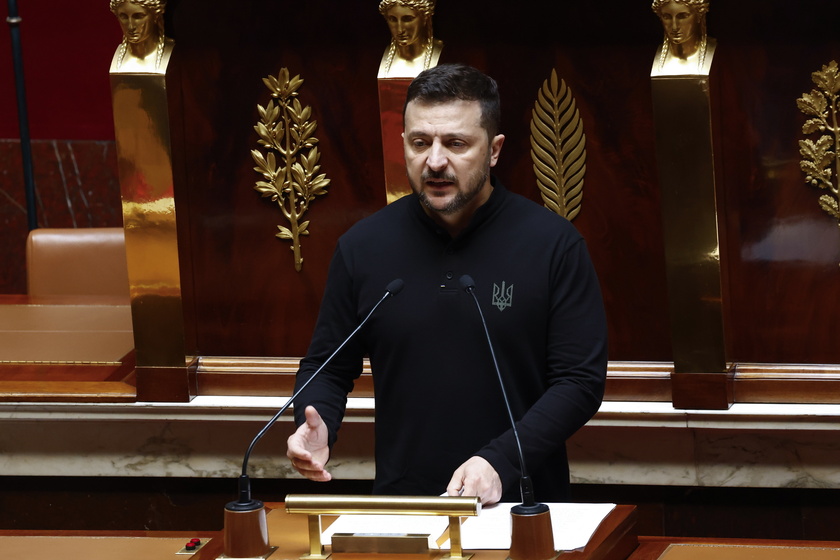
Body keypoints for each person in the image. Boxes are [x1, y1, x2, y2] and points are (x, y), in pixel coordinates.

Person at [286, 64, 607, 506]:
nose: (435, 161)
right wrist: (317, 422)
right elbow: (328, 365)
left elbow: (579, 382)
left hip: (522, 502)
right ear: (404, 146)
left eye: (456, 143)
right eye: (420, 143)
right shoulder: (363, 247)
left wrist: (500, 461)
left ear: (494, 151)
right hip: (405, 506)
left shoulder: (553, 244)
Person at [378, 0, 443, 78]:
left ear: (425, 17)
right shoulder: (374, 58)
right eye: (393, 19)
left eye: (407, 19)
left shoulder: (443, 53)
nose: (400, 30)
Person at [651, 0, 714, 75]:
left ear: (699, 16)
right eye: (667, 17)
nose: (674, 27)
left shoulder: (721, 58)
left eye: (682, 16)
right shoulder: (646, 60)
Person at [109, 0, 173, 73]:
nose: (131, 26)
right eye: (124, 17)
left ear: (156, 16)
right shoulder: (118, 59)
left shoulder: (171, 53)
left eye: (138, 16)